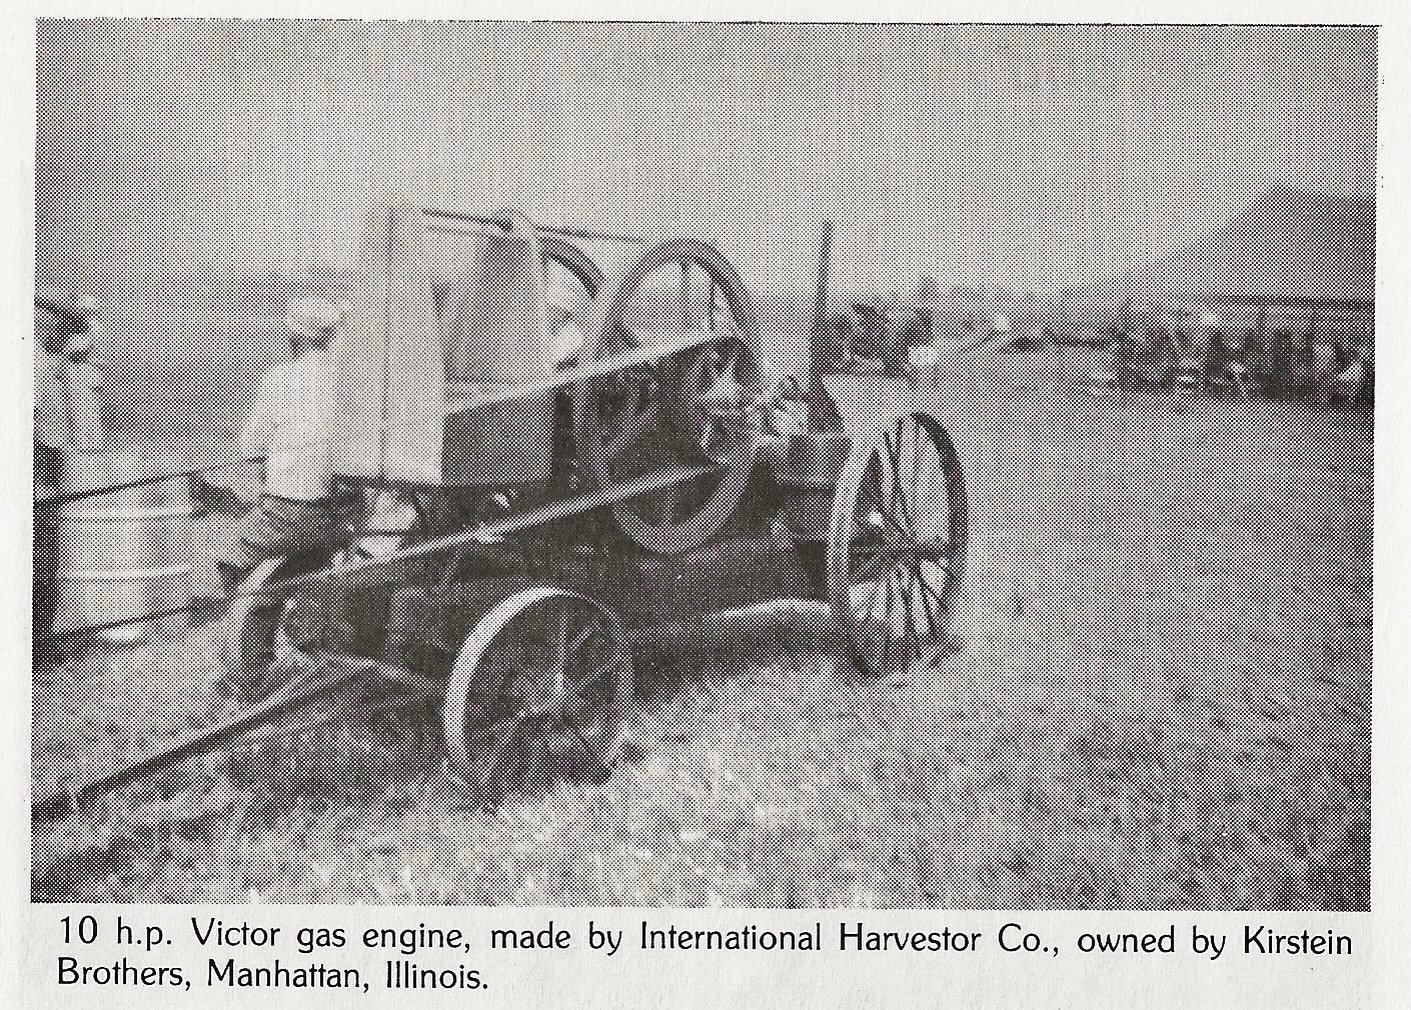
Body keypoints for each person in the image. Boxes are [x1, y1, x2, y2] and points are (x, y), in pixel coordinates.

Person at [214, 296, 352, 595]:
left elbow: (251, 445)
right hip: (335, 514)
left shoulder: (280, 378)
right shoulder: (347, 382)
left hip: (283, 513)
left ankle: (201, 622)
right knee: (300, 569)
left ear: (293, 336)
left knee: (221, 565)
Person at [35, 289, 103, 649]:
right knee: (41, 545)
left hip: (51, 453)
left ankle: (41, 632)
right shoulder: (42, 363)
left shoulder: (53, 361)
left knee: (45, 545)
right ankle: (38, 636)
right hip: (41, 458)